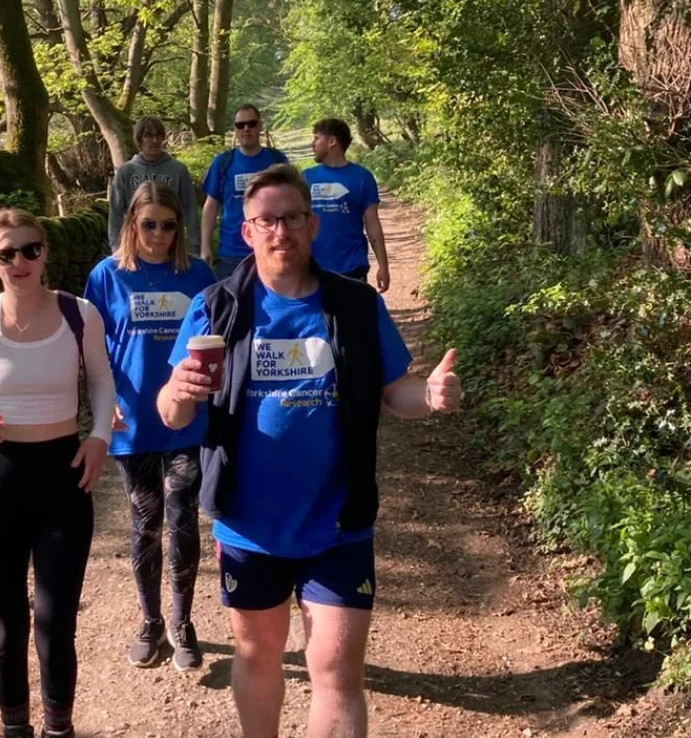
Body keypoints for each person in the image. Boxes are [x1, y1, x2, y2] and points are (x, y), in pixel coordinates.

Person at [156, 165, 463, 738]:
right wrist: (176, 392)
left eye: (292, 217)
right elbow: (171, 413)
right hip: (249, 527)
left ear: (311, 224)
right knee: (258, 657)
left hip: (338, 522)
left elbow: (396, 393)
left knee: (338, 670)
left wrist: (430, 395)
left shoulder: (354, 305)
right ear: (246, 232)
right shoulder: (216, 306)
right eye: (266, 220)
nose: (281, 231)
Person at [0, 208, 117, 738]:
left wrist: (99, 438)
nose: (20, 261)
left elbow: (102, 385)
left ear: (45, 252)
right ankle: (14, 728)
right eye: (7, 253)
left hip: (63, 480)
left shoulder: (79, 315)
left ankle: (58, 728)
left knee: (55, 622)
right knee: (7, 625)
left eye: (31, 249)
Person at [84, 182, 217, 671]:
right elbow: (91, 349)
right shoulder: (106, 276)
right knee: (146, 520)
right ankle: (150, 621)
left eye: (168, 225)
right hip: (132, 418)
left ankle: (183, 622)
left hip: (186, 418)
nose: (158, 235)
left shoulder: (197, 275)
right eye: (148, 224)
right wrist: (102, 403)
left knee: (182, 516)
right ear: (131, 224)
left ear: (179, 227)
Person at [200, 104, 289, 280]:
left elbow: (291, 203)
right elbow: (211, 205)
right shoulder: (223, 162)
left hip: (271, 248)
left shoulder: (277, 160)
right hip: (230, 253)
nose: (246, 129)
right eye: (240, 125)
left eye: (251, 124)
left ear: (260, 127)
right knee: (231, 305)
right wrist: (205, 246)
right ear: (234, 129)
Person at [303, 118, 390, 291]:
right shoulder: (304, 178)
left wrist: (383, 266)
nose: (312, 144)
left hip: (352, 265)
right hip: (313, 268)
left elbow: (373, 224)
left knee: (353, 318)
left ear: (332, 141)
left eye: (316, 138)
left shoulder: (362, 177)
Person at [108, 116, 201, 255]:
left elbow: (190, 209)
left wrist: (195, 246)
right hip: (135, 243)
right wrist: (116, 246)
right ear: (139, 139)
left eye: (158, 136)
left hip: (170, 242)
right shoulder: (126, 172)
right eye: (148, 135)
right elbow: (115, 212)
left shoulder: (178, 170)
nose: (155, 140)